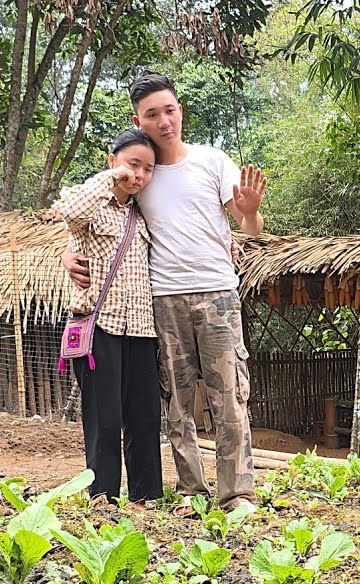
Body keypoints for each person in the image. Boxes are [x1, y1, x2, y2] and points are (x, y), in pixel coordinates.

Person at [63, 73, 266, 514]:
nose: (163, 121)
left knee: (230, 395)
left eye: (169, 110)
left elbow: (248, 225)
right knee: (177, 400)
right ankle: (191, 489)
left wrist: (249, 216)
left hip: (217, 294)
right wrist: (69, 252)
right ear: (138, 119)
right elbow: (99, 218)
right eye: (151, 114)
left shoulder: (213, 162)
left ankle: (237, 493)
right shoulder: (141, 174)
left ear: (181, 111)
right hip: (162, 300)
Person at [52, 128, 163, 503]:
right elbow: (66, 210)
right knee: (104, 420)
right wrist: (114, 177)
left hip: (142, 329)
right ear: (111, 160)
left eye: (148, 169)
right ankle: (103, 499)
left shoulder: (145, 213)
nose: (140, 175)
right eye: (133, 164)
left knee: (145, 418)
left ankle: (147, 496)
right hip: (100, 326)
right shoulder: (91, 207)